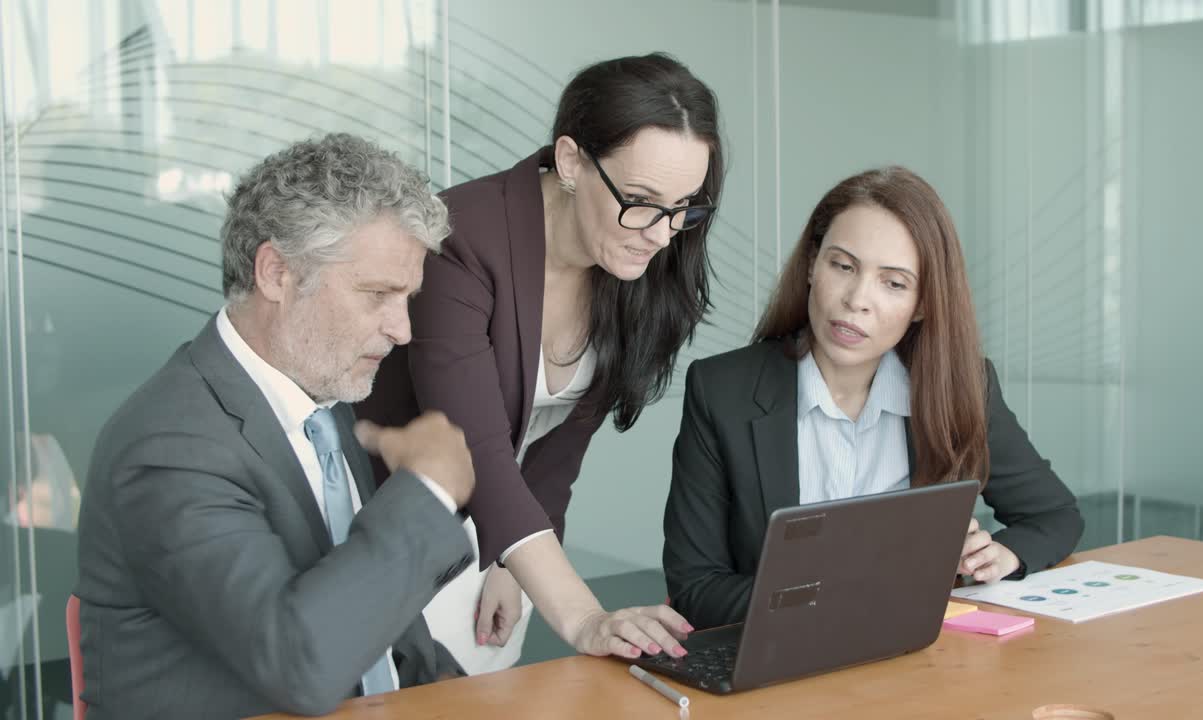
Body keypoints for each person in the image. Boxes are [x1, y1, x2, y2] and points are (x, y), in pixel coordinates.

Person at [75, 134, 477, 719]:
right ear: (276, 274)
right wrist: (428, 490)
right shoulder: (170, 446)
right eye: (378, 295)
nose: (402, 329)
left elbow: (382, 629)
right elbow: (301, 662)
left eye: (407, 297)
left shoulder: (322, 395)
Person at [356, 53, 722, 671]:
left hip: (504, 536)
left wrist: (513, 563)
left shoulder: (631, 261)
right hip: (383, 534)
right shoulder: (461, 238)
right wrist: (581, 615)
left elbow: (558, 443)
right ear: (574, 160)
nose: (663, 235)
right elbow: (475, 448)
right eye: (641, 200)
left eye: (684, 205)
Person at [662, 166, 1085, 629]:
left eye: (894, 283)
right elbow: (697, 589)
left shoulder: (962, 387)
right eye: (842, 266)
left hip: (922, 659)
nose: (857, 299)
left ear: (923, 304)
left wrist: (1005, 556)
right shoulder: (723, 391)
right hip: (784, 665)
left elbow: (1055, 515)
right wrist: (855, 593)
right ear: (811, 265)